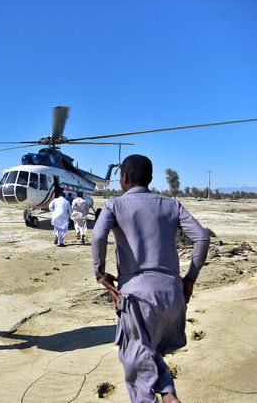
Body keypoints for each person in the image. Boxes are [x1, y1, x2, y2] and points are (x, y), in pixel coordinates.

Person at [91, 154, 210, 403]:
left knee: (133, 358)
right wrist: (190, 278)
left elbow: (98, 237)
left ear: (123, 178)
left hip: (136, 296)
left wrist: (100, 274)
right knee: (152, 351)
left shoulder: (114, 205)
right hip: (172, 293)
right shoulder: (172, 205)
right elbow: (202, 237)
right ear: (151, 178)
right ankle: (168, 394)